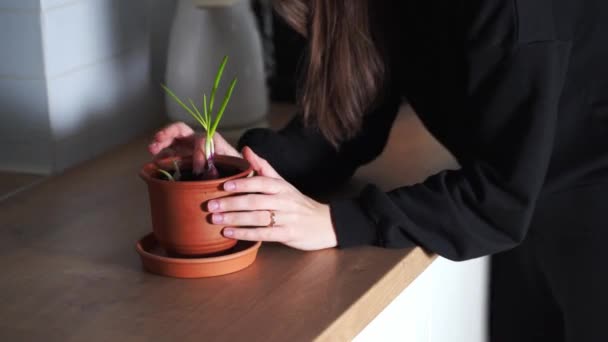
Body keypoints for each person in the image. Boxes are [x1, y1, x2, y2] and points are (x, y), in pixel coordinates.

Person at [149, 1, 608, 341]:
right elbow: (350, 124)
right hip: (527, 194)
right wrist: (244, 162)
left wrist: (334, 222)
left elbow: (499, 204)